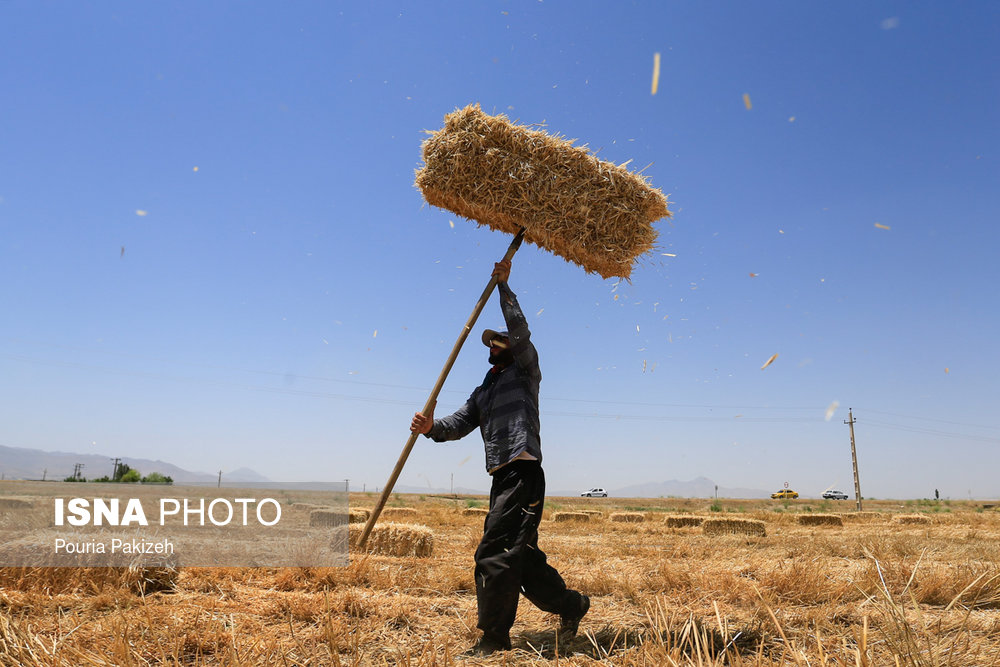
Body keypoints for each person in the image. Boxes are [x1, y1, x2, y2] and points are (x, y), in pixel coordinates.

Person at [410, 258, 589, 656]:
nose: (493, 344)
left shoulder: (525, 372)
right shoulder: (483, 391)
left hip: (524, 473)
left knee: (494, 552)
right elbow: (457, 423)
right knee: (519, 557)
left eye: (499, 340)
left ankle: (494, 638)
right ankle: (572, 605)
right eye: (490, 341)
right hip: (502, 477)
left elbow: (523, 333)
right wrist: (430, 428)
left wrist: (505, 288)